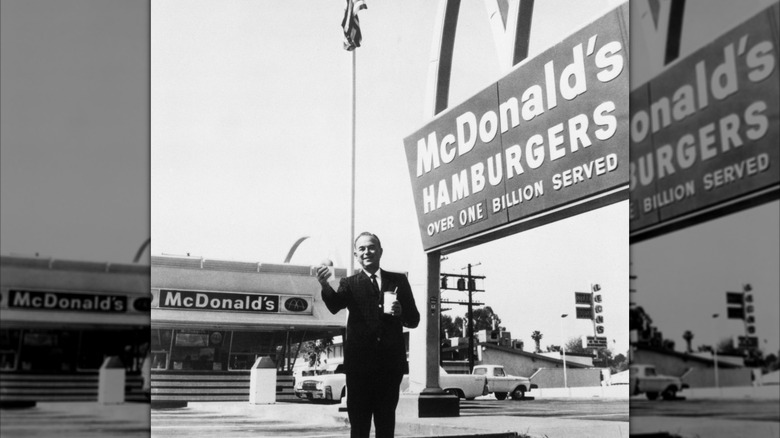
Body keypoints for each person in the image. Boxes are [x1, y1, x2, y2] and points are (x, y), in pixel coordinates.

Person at [314, 232, 420, 438]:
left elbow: (414, 319)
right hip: (359, 367)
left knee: (385, 422)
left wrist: (401, 313)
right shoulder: (349, 283)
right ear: (355, 255)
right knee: (359, 425)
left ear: (380, 251)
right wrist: (325, 285)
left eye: (371, 247)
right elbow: (335, 306)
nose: (367, 252)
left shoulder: (398, 280)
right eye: (361, 249)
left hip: (389, 366)